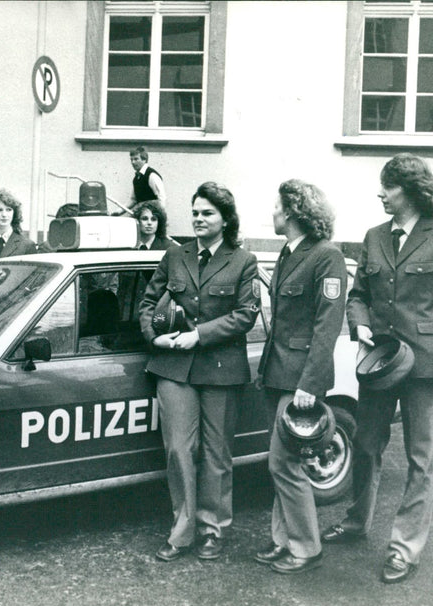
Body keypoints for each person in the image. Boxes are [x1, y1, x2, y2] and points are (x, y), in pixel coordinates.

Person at [321, 153, 433, 584]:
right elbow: (358, 295)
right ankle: (356, 522)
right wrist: (361, 325)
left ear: (411, 191)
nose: (380, 193)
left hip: (425, 368)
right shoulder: (373, 236)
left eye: (388, 187)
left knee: (420, 458)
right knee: (366, 444)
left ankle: (404, 548)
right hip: (381, 363)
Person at [139, 181, 260, 562]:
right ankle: (183, 529)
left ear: (226, 219)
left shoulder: (243, 260)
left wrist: (199, 336)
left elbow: (245, 314)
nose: (198, 219)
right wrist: (153, 338)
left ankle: (213, 529)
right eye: (194, 212)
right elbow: (146, 303)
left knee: (216, 452)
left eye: (207, 213)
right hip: (173, 367)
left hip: (221, 368)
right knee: (177, 450)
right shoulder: (175, 256)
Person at [253, 179, 347, 574]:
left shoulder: (326, 257)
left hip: (300, 381)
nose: (272, 212)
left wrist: (308, 385)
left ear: (291, 211)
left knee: (283, 464)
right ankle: (283, 539)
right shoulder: (290, 253)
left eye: (276, 206)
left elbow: (328, 326)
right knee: (282, 462)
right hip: (279, 373)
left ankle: (307, 546)